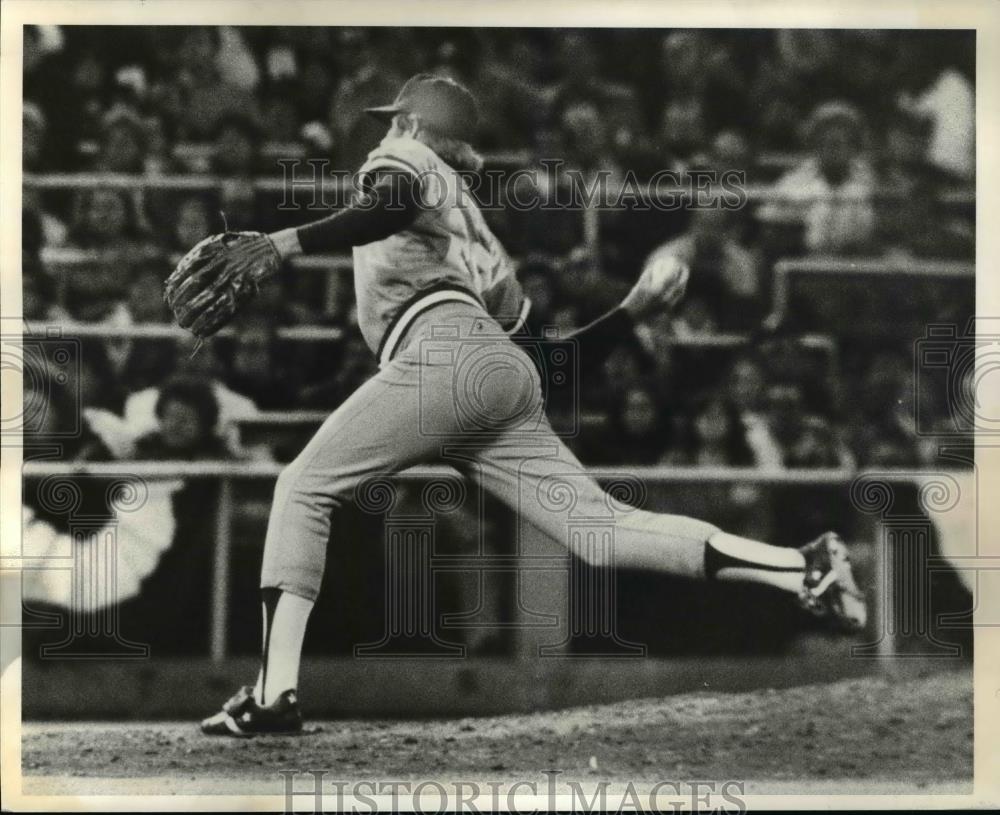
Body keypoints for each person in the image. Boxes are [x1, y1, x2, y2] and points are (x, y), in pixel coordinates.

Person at [194, 74, 866, 736]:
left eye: (398, 119)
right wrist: (629, 312)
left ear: (420, 127)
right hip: (495, 368)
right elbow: (545, 368)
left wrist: (280, 242)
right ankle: (800, 565)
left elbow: (390, 200)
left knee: (303, 487)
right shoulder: (478, 233)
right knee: (601, 531)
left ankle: (274, 694)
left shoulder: (404, 159)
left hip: (442, 352)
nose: (389, 130)